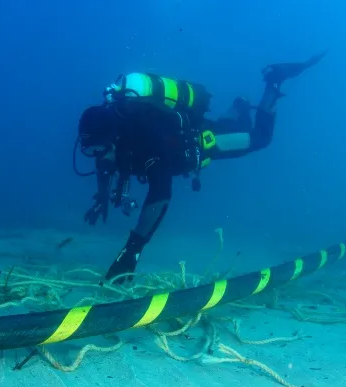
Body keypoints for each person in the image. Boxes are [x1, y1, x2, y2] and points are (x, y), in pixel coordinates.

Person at [74, 51, 327, 284]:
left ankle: (274, 81)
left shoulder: (149, 142)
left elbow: (160, 196)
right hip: (192, 131)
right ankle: (238, 106)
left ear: (114, 136)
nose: (100, 156)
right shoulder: (114, 137)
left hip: (204, 143)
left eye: (101, 148)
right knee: (221, 125)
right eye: (92, 150)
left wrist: (132, 250)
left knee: (260, 138)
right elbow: (104, 163)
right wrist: (101, 198)